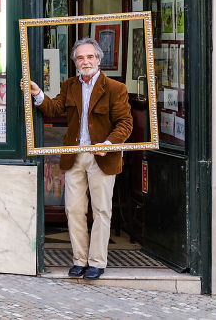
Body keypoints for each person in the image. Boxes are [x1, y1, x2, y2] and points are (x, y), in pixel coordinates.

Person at [27, 37, 132, 280]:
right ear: (75, 62)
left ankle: (97, 262)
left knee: (101, 210)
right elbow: (54, 109)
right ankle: (79, 260)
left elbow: (125, 123)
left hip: (102, 156)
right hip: (74, 156)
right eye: (80, 57)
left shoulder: (116, 89)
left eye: (90, 57)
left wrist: (108, 144)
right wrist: (39, 94)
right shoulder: (69, 85)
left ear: (98, 59)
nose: (85, 61)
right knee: (73, 210)